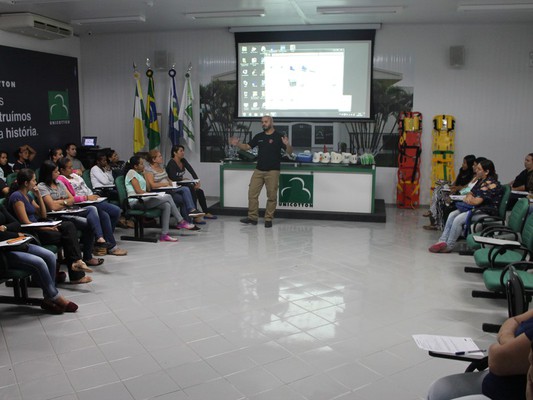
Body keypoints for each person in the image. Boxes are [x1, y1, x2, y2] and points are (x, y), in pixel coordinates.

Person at [8, 168, 92, 284]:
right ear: (26, 183)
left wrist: (39, 196)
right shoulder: (17, 197)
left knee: (68, 226)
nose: (36, 183)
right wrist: (46, 227)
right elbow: (25, 223)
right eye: (34, 180)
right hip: (32, 232)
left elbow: (42, 214)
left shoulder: (28, 196)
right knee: (67, 237)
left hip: (39, 225)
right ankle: (76, 272)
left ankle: (76, 262)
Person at [427, 308, 533, 400]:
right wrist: (509, 341)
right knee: (437, 389)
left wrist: (506, 340)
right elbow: (514, 320)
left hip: (507, 393)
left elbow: (497, 359)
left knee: (438, 392)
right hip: (495, 380)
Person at [0, 203, 79, 313]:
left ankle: (48, 298)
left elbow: (16, 224)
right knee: (39, 262)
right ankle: (55, 296)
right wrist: (14, 234)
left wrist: (5, 228)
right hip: (4, 252)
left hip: (16, 244)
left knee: (49, 256)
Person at [38, 160, 106, 267]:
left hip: (68, 210)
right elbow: (52, 207)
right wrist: (65, 202)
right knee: (88, 223)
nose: (58, 173)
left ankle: (99, 238)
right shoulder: (42, 186)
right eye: (55, 171)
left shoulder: (59, 183)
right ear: (48, 173)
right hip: (56, 216)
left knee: (92, 208)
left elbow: (72, 199)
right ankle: (88, 256)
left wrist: (60, 202)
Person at [229, 115, 292, 228]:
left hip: (273, 171)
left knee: (271, 196)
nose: (263, 124)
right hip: (259, 170)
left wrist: (287, 144)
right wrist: (237, 144)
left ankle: (268, 219)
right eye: (262, 122)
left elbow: (290, 152)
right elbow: (247, 146)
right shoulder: (259, 136)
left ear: (271, 122)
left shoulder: (279, 136)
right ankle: (252, 218)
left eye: (266, 121)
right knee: (252, 194)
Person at [429, 159, 504, 253]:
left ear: (486, 171)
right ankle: (442, 241)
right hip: (476, 208)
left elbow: (476, 202)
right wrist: (469, 197)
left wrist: (469, 199)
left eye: (479, 169)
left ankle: (449, 246)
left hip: (486, 212)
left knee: (458, 219)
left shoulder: (490, 184)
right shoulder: (481, 181)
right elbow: (470, 193)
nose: (476, 170)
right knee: (452, 214)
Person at [57, 157, 127, 256]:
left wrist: (92, 196)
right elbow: (71, 198)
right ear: (62, 170)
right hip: (81, 203)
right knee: (107, 214)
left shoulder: (74, 175)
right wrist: (86, 198)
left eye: (72, 167)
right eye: (69, 168)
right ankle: (110, 246)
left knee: (113, 212)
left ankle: (104, 243)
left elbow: (85, 187)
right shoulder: (61, 180)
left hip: (89, 199)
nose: (72, 169)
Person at [124, 156, 194, 242]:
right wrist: (153, 195)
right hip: (135, 201)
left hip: (143, 199)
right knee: (168, 196)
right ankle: (181, 221)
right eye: (141, 164)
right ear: (135, 166)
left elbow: (148, 188)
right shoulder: (131, 173)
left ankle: (164, 234)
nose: (144, 166)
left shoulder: (140, 174)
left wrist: (145, 175)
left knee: (166, 205)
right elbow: (138, 191)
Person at [144, 149, 204, 226]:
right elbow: (152, 185)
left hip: (168, 189)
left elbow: (168, 179)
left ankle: (188, 221)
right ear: (153, 159)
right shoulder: (149, 170)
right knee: (185, 190)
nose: (161, 157)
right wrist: (165, 184)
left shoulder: (161, 167)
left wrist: (173, 184)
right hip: (160, 192)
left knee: (184, 195)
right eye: (159, 156)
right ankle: (191, 211)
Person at [424, 155, 476, 230]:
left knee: (440, 198)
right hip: (455, 190)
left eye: (465, 163)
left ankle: (433, 215)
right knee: (438, 189)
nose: (462, 164)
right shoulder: (462, 170)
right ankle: (433, 216)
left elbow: (467, 187)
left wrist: (457, 188)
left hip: (459, 193)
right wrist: (451, 186)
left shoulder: (473, 176)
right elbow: (456, 181)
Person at [166, 144, 217, 221]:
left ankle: (205, 212)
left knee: (199, 191)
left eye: (183, 151)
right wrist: (182, 179)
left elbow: (191, 170)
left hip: (182, 183)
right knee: (191, 188)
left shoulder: (183, 160)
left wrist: (197, 181)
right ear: (175, 153)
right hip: (174, 185)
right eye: (181, 151)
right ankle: (195, 214)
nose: (183, 153)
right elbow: (173, 177)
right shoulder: (171, 163)